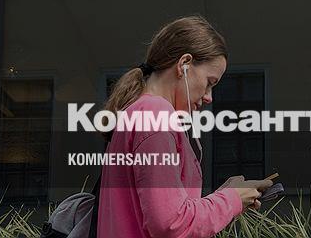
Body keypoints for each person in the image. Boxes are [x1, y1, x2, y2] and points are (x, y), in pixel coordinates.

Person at [96, 15, 273, 238]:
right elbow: (170, 224)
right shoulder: (156, 114)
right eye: (209, 83)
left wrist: (225, 196)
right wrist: (232, 199)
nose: (209, 97)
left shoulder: (139, 113)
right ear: (184, 64)